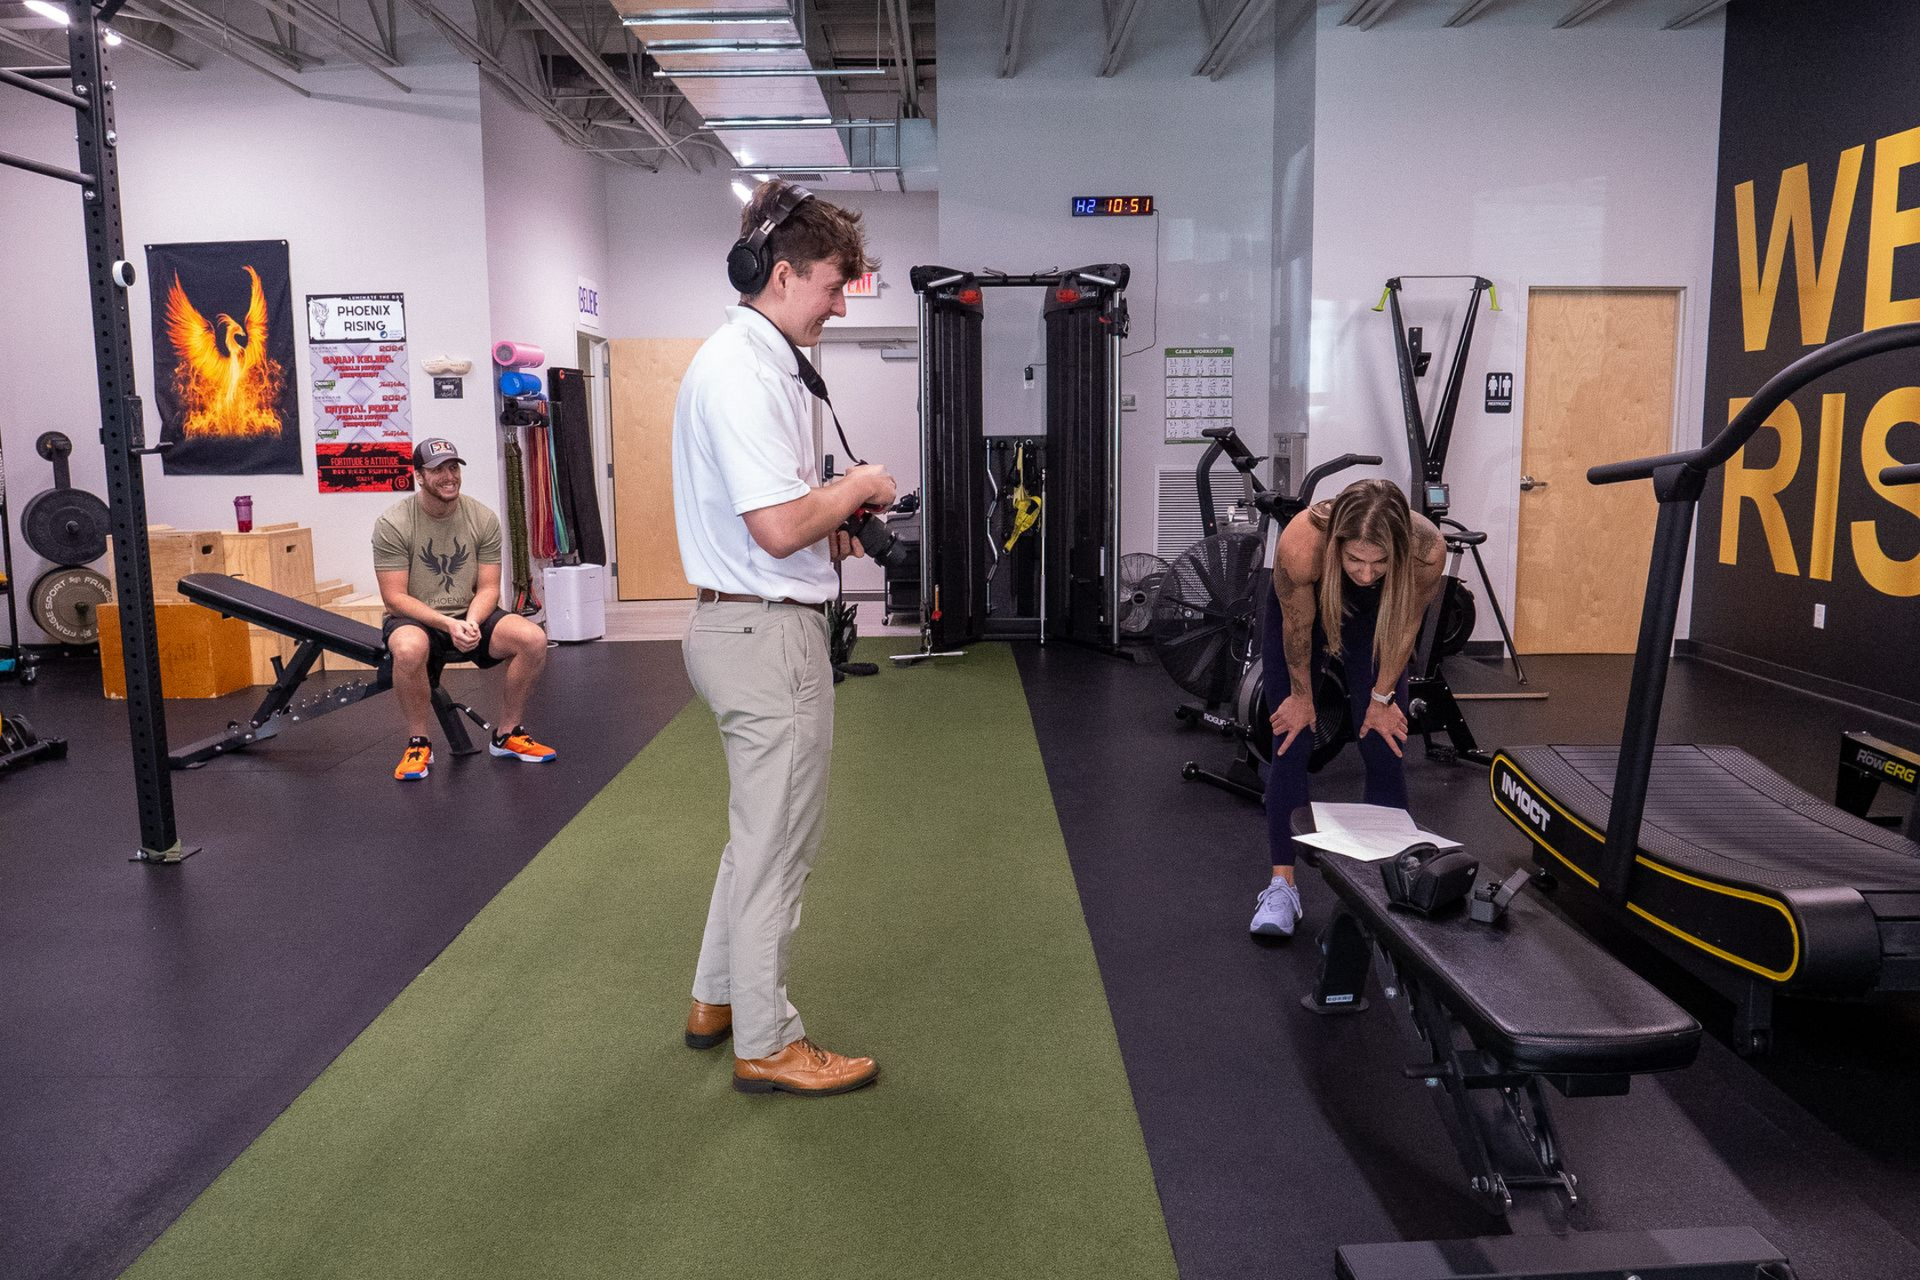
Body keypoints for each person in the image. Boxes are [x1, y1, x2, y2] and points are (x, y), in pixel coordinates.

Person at [672, 179, 894, 1097]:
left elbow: (769, 519)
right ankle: (767, 1041)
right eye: (835, 285)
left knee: (754, 837)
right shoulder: (743, 372)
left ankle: (717, 998)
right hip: (765, 636)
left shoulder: (753, 363)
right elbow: (774, 528)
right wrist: (860, 486)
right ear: (783, 272)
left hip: (747, 622)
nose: (842, 304)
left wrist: (829, 517)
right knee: (778, 848)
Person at [1254, 478, 1445, 936]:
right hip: (1307, 610)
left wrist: (1380, 701)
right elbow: (1298, 629)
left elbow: (1406, 626)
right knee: (1292, 739)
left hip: (1379, 619)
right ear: (1337, 542)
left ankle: (1385, 883)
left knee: (1384, 741)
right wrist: (1303, 698)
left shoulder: (1426, 552)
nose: (1364, 572)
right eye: (1355, 559)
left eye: (1379, 561)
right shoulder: (1303, 546)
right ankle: (1282, 886)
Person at [373, 437, 555, 781]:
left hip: (470, 613)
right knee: (409, 649)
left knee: (532, 638)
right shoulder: (393, 524)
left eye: (453, 467)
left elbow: (488, 587)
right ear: (420, 476)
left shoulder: (483, 518)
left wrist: (470, 622)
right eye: (437, 469)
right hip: (416, 617)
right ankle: (418, 742)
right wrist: (445, 624)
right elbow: (394, 598)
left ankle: (507, 734)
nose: (448, 476)